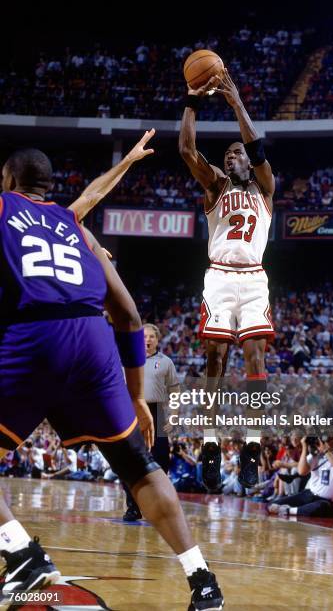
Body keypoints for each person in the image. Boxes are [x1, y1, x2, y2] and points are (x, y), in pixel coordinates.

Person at [0, 143, 224, 610]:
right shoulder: (74, 226)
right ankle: (203, 582)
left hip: (35, 336)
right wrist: (137, 396)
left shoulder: (2, 207)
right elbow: (128, 316)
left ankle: (22, 554)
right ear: (47, 187)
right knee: (138, 466)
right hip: (94, 343)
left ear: (7, 182)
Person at [179, 69, 275, 491]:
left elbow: (257, 147)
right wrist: (192, 101)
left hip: (254, 279)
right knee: (214, 359)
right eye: (228, 155)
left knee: (256, 358)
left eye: (237, 154)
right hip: (219, 277)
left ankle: (252, 445)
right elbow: (185, 149)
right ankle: (212, 443)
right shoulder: (215, 186)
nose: (231, 158)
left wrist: (236, 102)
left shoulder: (265, 188)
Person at [123, 323, 181, 521]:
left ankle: (157, 508)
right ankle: (132, 507)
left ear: (157, 340)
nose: (147, 340)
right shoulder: (128, 361)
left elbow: (175, 392)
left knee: (161, 463)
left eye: (151, 337)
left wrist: (173, 415)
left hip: (157, 413)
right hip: (131, 412)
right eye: (144, 336)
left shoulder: (166, 362)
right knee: (129, 462)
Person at [268, 436, 333, 517]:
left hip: (327, 501)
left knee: (321, 506)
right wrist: (304, 447)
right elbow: (301, 471)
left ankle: (289, 510)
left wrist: (326, 451)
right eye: (324, 440)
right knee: (273, 504)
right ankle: (297, 509)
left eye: (329, 439)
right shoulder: (316, 453)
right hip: (309, 494)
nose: (326, 442)